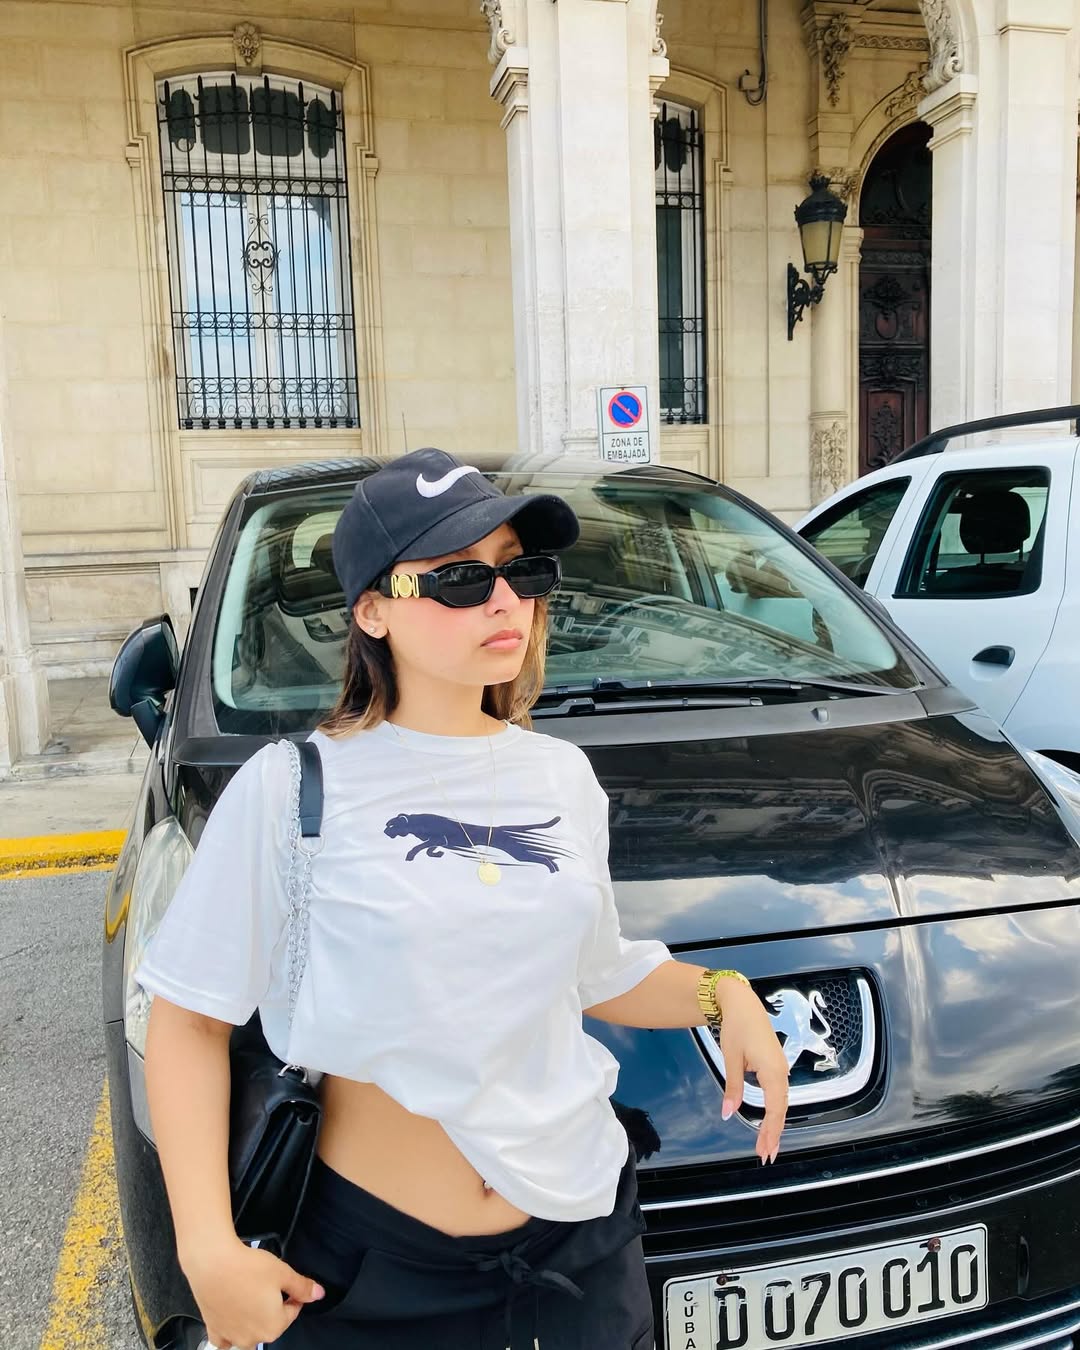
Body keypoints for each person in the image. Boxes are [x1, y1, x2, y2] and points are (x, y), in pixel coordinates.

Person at [136, 448, 790, 1350]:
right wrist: (207, 1248)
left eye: (520, 571)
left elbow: (598, 974)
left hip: (581, 1242)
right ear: (372, 610)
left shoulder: (560, 776)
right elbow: (188, 1019)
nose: (503, 601)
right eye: (457, 579)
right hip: (374, 1270)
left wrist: (723, 994)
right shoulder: (291, 789)